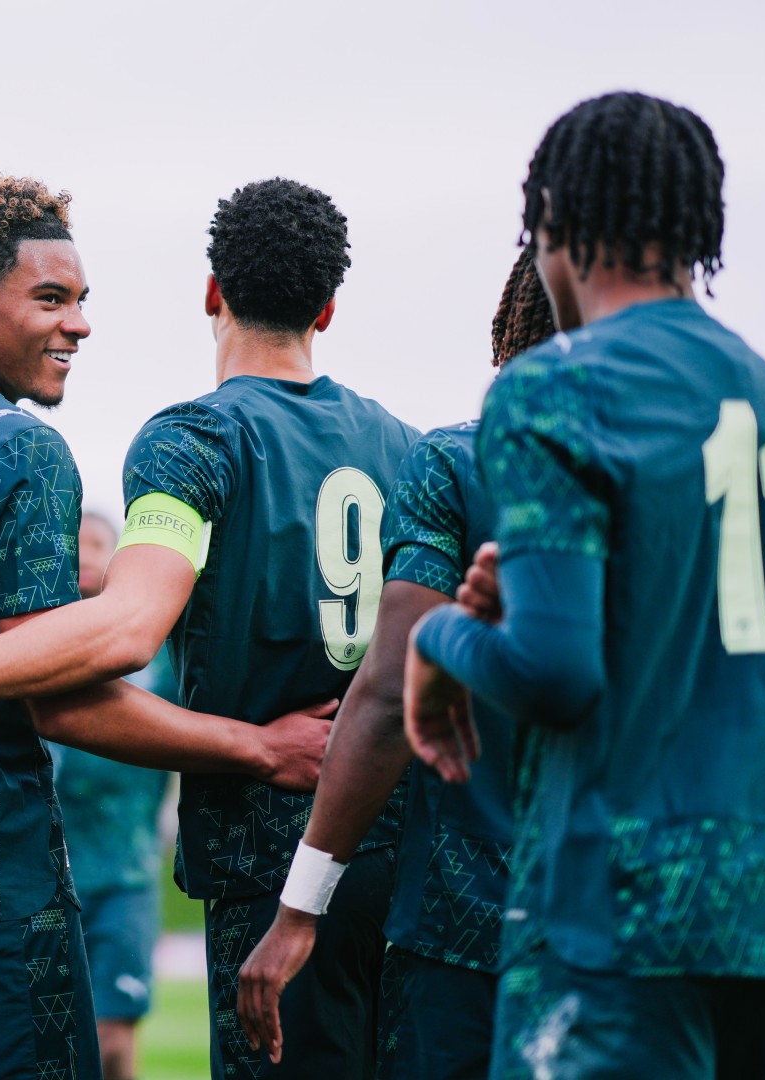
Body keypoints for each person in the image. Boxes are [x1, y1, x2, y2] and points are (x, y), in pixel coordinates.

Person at [0, 177, 417, 1078]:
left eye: (78, 300)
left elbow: (115, 634)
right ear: (329, 306)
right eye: (54, 298)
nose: (79, 323)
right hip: (383, 850)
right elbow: (85, 674)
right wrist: (252, 744)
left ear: (214, 294)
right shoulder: (406, 446)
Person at [407, 91, 765, 1079]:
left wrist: (440, 644)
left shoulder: (555, 385)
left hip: (626, 906)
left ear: (552, 222)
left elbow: (558, 675)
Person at [235, 249, 556, 1075]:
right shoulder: (697, 460)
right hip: (647, 918)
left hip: (471, 920)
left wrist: (299, 909)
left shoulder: (457, 460)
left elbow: (381, 696)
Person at [53, 510, 176, 1080]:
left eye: (97, 543)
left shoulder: (159, 653)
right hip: (49, 878)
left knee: (114, 1037)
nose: (84, 554)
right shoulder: (27, 644)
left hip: (126, 874)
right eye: (72, 544)